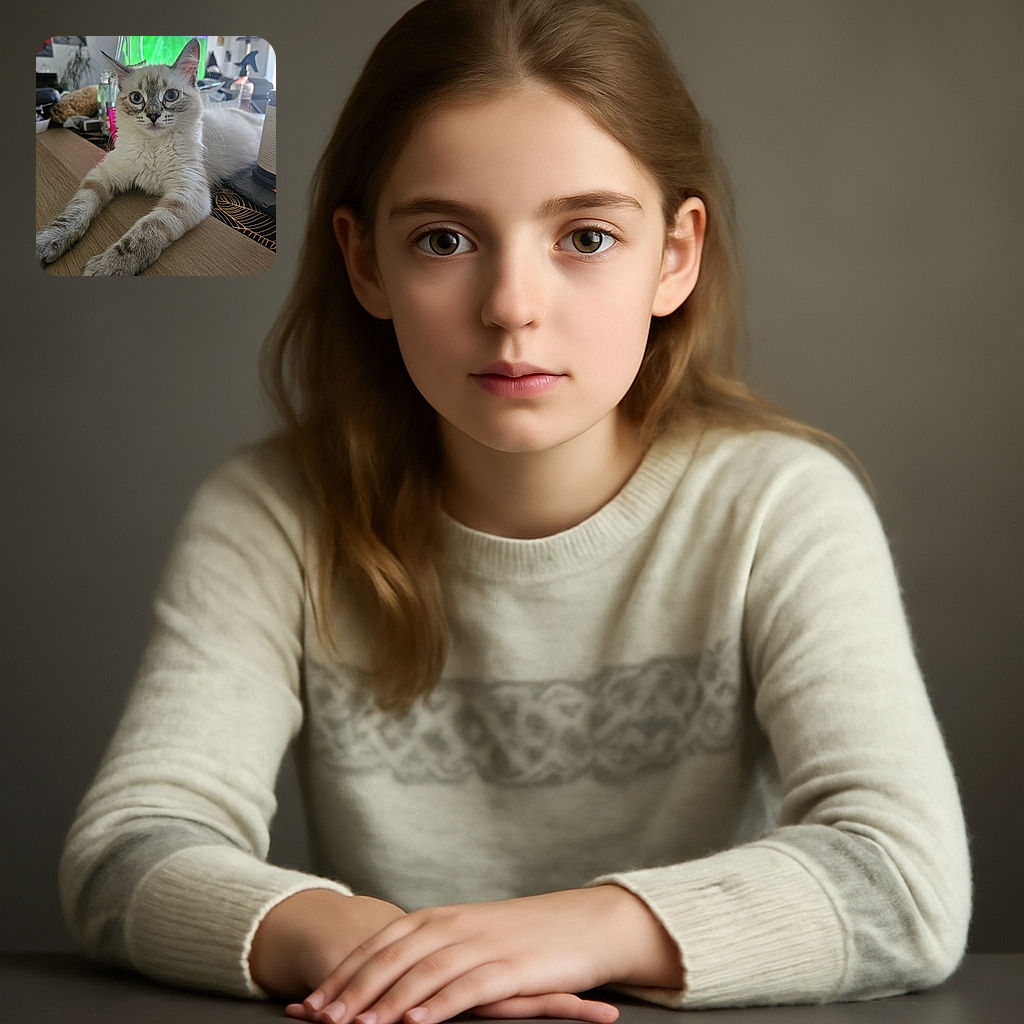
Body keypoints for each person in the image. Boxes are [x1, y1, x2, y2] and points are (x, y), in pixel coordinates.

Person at [59, 0, 971, 1020]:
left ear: (675, 256)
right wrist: (386, 957)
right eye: (445, 238)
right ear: (366, 262)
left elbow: (903, 879)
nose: (511, 308)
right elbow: (128, 853)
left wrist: (572, 931)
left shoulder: (778, 508)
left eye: (586, 235)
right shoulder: (274, 516)